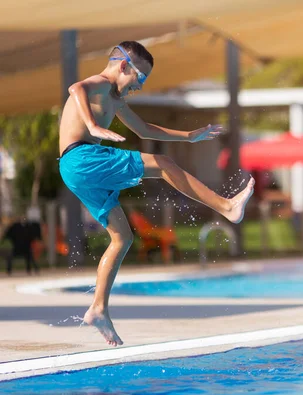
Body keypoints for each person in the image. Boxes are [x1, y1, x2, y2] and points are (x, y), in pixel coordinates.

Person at [58, 41, 254, 346]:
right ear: (123, 66)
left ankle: (98, 308)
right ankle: (226, 206)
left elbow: (145, 129)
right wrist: (94, 125)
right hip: (80, 158)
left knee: (122, 238)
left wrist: (190, 137)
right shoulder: (99, 85)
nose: (139, 85)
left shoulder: (116, 100)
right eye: (140, 77)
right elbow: (74, 88)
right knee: (162, 164)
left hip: (76, 170)